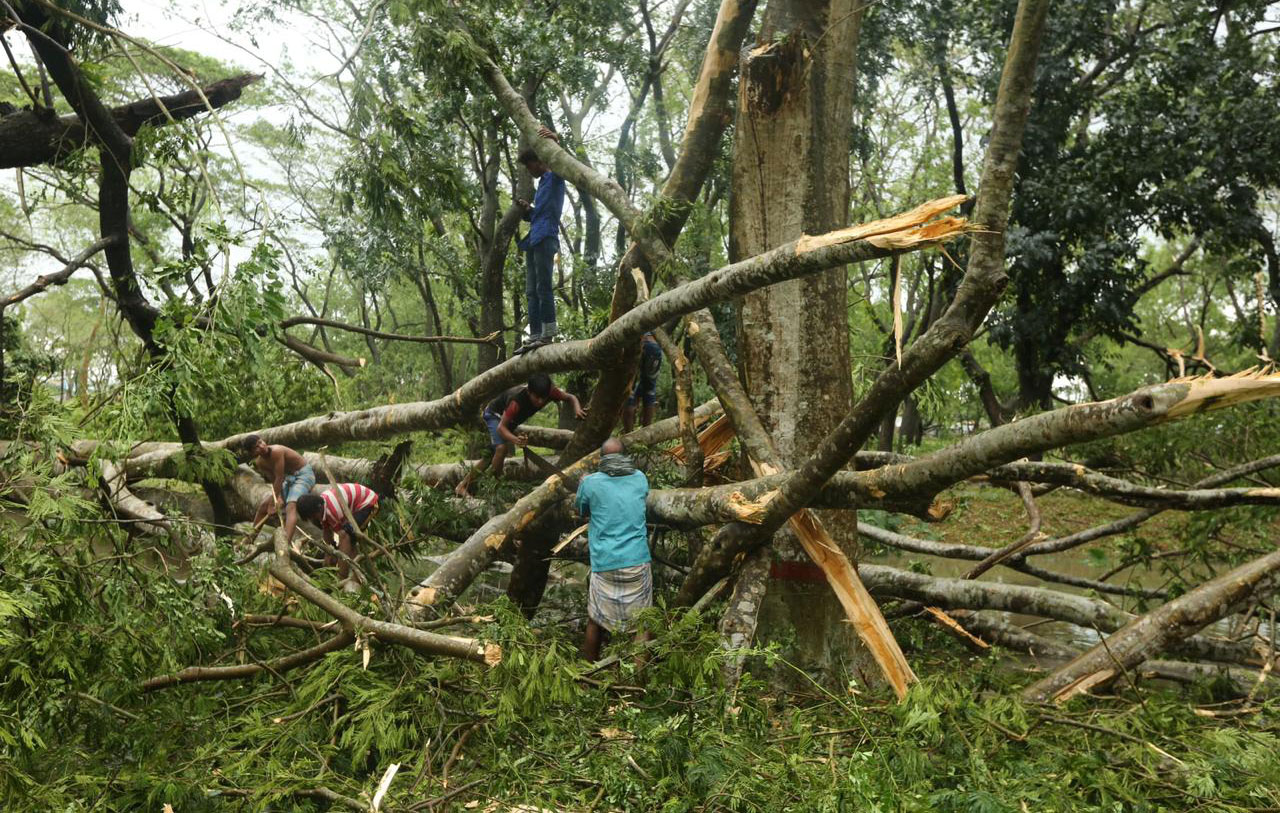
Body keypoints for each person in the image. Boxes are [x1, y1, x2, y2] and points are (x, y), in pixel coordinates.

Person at [575, 437, 652, 661]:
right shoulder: (640, 478)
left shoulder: (590, 483)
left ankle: (588, 675)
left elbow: (581, 509)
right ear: (625, 457)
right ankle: (639, 682)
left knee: (595, 620)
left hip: (605, 563)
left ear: (602, 458)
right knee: (642, 624)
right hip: (636, 561)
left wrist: (584, 483)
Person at [455, 373, 586, 497]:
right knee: (501, 448)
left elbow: (570, 397)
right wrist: (516, 440)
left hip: (510, 421)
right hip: (495, 415)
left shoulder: (550, 392)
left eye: (543, 398)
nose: (540, 402)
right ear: (529, 392)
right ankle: (494, 489)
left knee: (491, 454)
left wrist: (577, 409)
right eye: (537, 398)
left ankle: (462, 486)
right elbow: (501, 428)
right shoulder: (515, 403)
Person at [513, 127, 566, 354]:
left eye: (529, 165)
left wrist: (555, 139)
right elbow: (538, 214)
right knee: (531, 290)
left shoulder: (554, 177)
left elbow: (563, 163)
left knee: (543, 287)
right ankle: (534, 335)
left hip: (547, 238)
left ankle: (548, 334)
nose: (529, 170)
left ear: (539, 161)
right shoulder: (542, 185)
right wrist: (528, 209)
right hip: (534, 239)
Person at [296, 484, 379, 592]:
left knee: (347, 535)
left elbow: (343, 537)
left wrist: (337, 562)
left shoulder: (333, 510)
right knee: (348, 540)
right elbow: (326, 531)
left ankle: (343, 576)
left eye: (312, 517)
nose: (313, 520)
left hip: (368, 503)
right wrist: (328, 552)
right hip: (353, 507)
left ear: (315, 511)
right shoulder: (322, 505)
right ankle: (354, 576)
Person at [241, 434, 314, 543]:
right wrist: (276, 499)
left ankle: (285, 544)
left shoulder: (277, 451)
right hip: (289, 480)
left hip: (303, 475)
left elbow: (279, 478)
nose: (261, 446)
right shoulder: (260, 462)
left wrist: (272, 505)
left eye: (261, 442)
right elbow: (274, 479)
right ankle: (249, 540)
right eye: (256, 447)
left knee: (291, 506)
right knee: (263, 507)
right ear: (252, 453)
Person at [622, 332, 663, 432]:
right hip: (654, 346)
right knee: (649, 389)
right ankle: (646, 435)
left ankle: (629, 434)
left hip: (636, 343)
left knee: (628, 389)